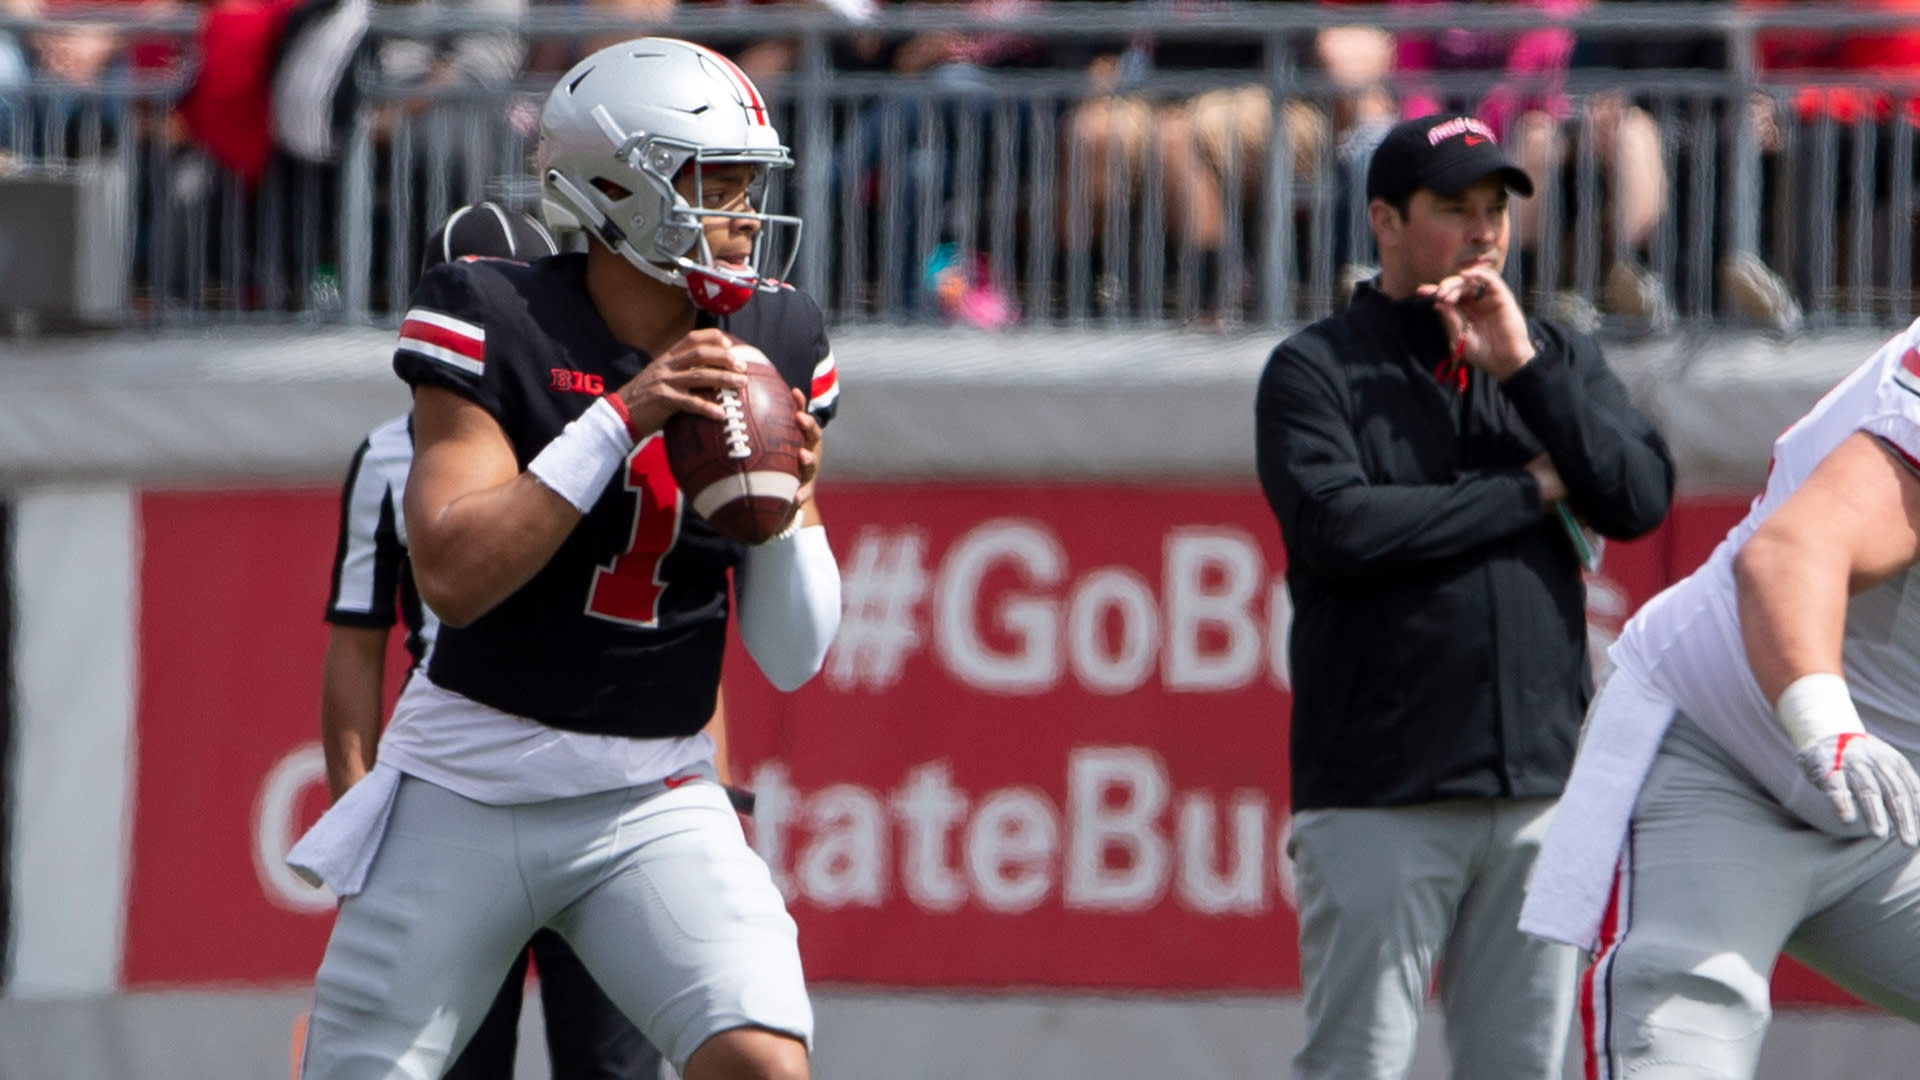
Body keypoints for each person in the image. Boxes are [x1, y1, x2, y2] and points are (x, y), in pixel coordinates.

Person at [291, 37, 843, 1080]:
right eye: (711, 181)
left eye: (746, 183)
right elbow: (454, 573)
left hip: (651, 790)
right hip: (468, 782)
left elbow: (794, 654)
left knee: (764, 1062)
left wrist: (794, 501)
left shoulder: (777, 337)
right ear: (614, 185)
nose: (740, 213)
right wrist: (621, 418)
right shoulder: (497, 316)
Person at [1253, 111, 1674, 1080]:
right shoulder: (1316, 368)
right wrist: (1525, 489)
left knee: (1519, 1069)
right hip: (1379, 793)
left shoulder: (1547, 357)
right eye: (1454, 209)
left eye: (1496, 209)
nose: (1484, 230)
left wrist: (1524, 372)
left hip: (1536, 792)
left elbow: (1640, 495)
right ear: (1385, 221)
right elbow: (1341, 531)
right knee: (1356, 1065)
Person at [320, 200, 672, 1080]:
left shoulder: (612, 432)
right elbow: (358, 643)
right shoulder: (390, 454)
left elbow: (676, 622)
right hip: (455, 771)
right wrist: (359, 814)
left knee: (613, 1061)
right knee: (449, 1059)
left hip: (600, 767)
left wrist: (720, 797)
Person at [1520, 337, 1920, 1071]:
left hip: (1894, 803)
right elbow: (1788, 555)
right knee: (1676, 1056)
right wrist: (1828, 728)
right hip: (1725, 757)